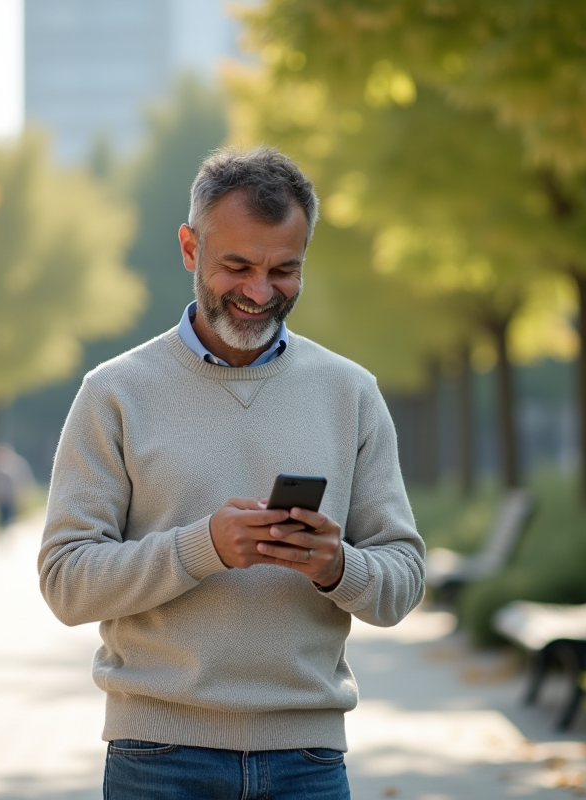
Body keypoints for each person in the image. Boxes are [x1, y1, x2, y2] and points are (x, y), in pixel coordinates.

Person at [38, 146, 426, 799]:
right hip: (157, 755)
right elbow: (66, 583)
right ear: (191, 248)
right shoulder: (115, 394)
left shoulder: (350, 393)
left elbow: (404, 580)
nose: (259, 291)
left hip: (308, 757)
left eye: (284, 270)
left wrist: (337, 566)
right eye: (237, 266)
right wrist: (205, 548)